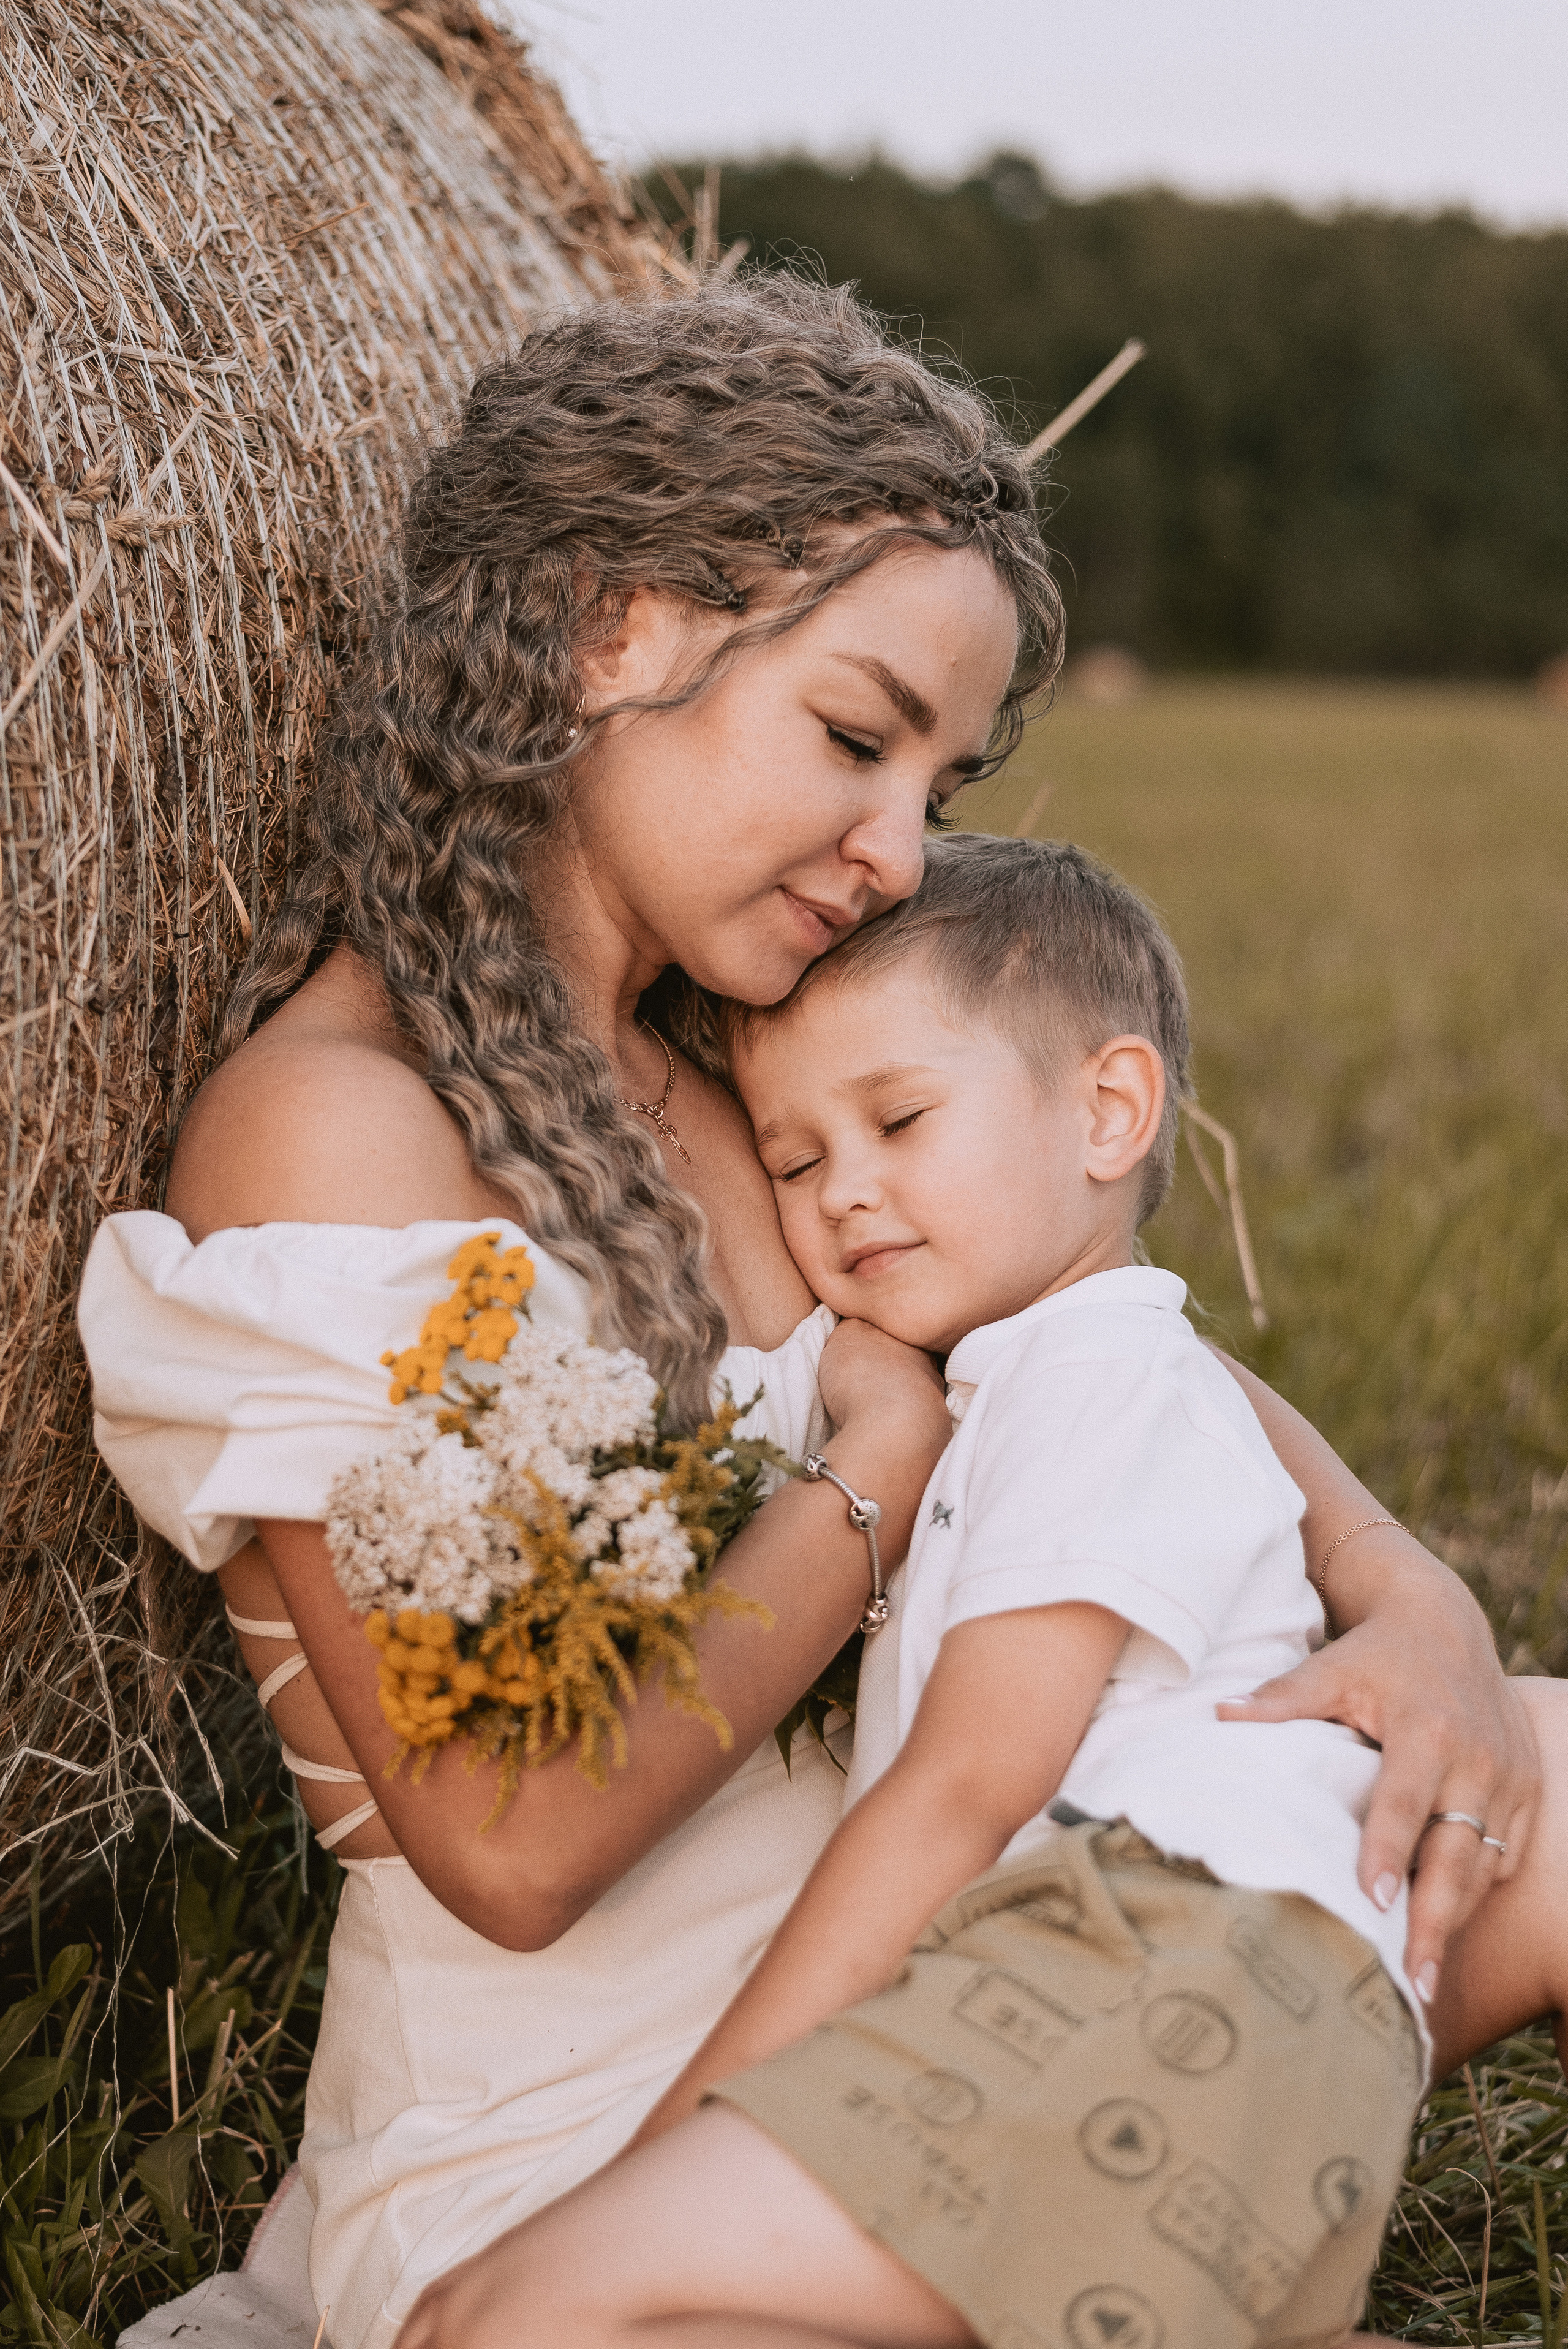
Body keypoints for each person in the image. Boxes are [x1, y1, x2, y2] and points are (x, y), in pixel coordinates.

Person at [75, 282, 1562, 2349]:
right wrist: (874, 1470)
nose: (895, 853)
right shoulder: (342, 1131)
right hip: (597, 2148)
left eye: (940, 784)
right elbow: (509, 1834)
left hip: (966, 1974)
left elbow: (1112, 1340)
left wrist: (1415, 1600)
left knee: (1559, 1776)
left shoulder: (753, 1077)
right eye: (858, 738)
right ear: (612, 629)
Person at [388, 830, 1441, 2349]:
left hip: (1159, 1958)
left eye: (898, 1120)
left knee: (537, 2305)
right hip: (1173, 2004)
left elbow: (958, 1792)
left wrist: (666, 2159)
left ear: (1109, 1112)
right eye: (797, 1160)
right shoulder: (1035, 1373)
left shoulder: (1102, 1378)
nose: (845, 1198)